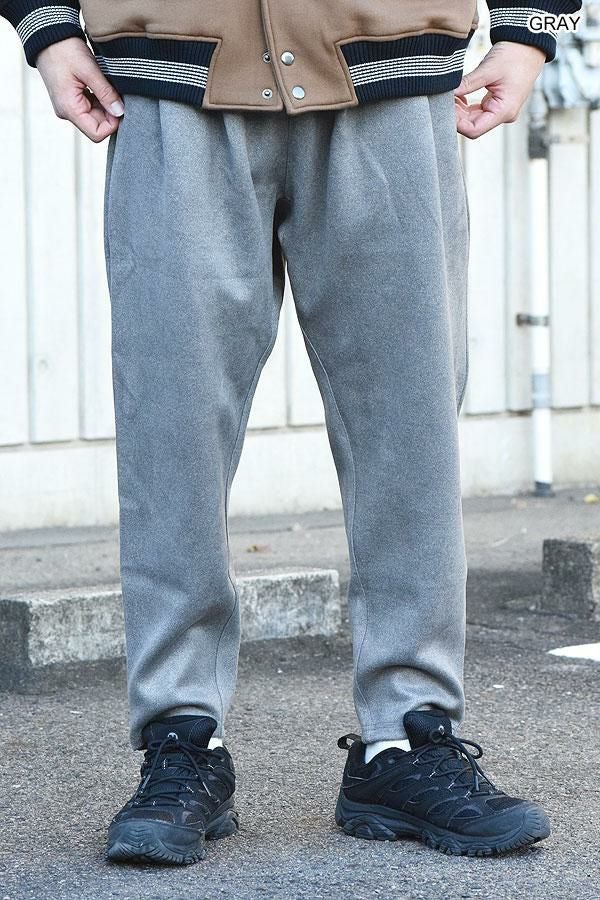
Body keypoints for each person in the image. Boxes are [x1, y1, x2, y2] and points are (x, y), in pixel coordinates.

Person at [2, 0, 580, 864]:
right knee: (173, 434)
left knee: (410, 431)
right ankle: (181, 735)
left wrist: (534, 28)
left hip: (391, 66)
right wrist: (44, 26)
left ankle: (408, 736)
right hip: (174, 76)